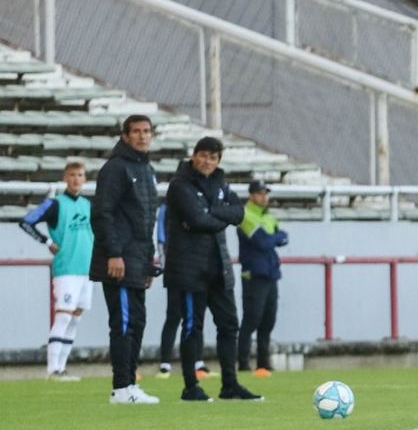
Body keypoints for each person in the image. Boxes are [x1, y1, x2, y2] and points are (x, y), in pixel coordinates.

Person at [163, 137, 259, 403]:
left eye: (213, 157)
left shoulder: (221, 183)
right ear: (194, 156)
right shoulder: (179, 185)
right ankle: (190, 386)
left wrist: (212, 212)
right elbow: (197, 218)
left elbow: (238, 213)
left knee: (229, 324)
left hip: (219, 266)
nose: (208, 161)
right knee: (193, 326)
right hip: (189, 268)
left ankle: (230, 384)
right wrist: (217, 216)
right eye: (203, 155)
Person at [91, 116, 161, 404]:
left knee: (138, 322)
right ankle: (120, 387)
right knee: (122, 323)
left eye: (147, 131)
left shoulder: (146, 169)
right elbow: (103, 213)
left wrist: (147, 263)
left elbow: (146, 220)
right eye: (136, 132)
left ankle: (131, 385)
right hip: (117, 260)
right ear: (125, 135)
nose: (142, 136)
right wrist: (114, 253)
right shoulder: (115, 168)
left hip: (137, 260)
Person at [20, 161, 93, 381]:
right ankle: (53, 369)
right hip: (66, 268)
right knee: (63, 316)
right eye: (72, 175)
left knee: (76, 317)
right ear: (65, 178)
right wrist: (47, 241)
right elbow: (26, 222)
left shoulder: (88, 205)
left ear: (85, 179)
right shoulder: (55, 204)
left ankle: (63, 366)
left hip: (86, 269)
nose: (76, 179)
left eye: (80, 175)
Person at [231, 179, 287, 376]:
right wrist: (275, 239)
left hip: (271, 273)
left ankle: (263, 363)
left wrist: (274, 238)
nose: (264, 197)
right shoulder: (246, 215)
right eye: (260, 193)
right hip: (254, 274)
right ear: (251, 195)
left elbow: (283, 236)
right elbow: (264, 242)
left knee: (268, 320)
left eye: (266, 193)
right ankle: (244, 363)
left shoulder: (267, 216)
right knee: (251, 319)